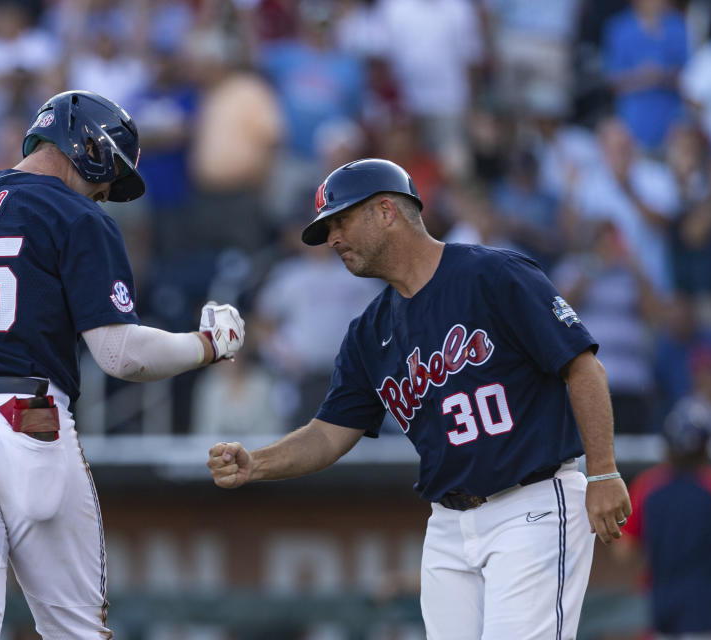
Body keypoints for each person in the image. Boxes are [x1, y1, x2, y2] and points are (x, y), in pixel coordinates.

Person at [0, 90, 245, 640]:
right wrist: (208, 344)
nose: (104, 192)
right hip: (25, 416)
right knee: (74, 629)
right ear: (88, 147)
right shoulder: (71, 212)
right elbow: (120, 354)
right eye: (108, 176)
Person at [207, 158, 631, 639]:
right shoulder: (369, 332)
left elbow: (583, 366)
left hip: (531, 501)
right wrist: (256, 464)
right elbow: (328, 435)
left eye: (340, 221)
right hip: (449, 525)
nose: (333, 240)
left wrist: (603, 469)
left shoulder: (493, 275)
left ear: (386, 211)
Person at [617, 402, 711, 638]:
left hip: (662, 612)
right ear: (706, 448)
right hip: (710, 613)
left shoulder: (646, 488)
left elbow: (623, 552)